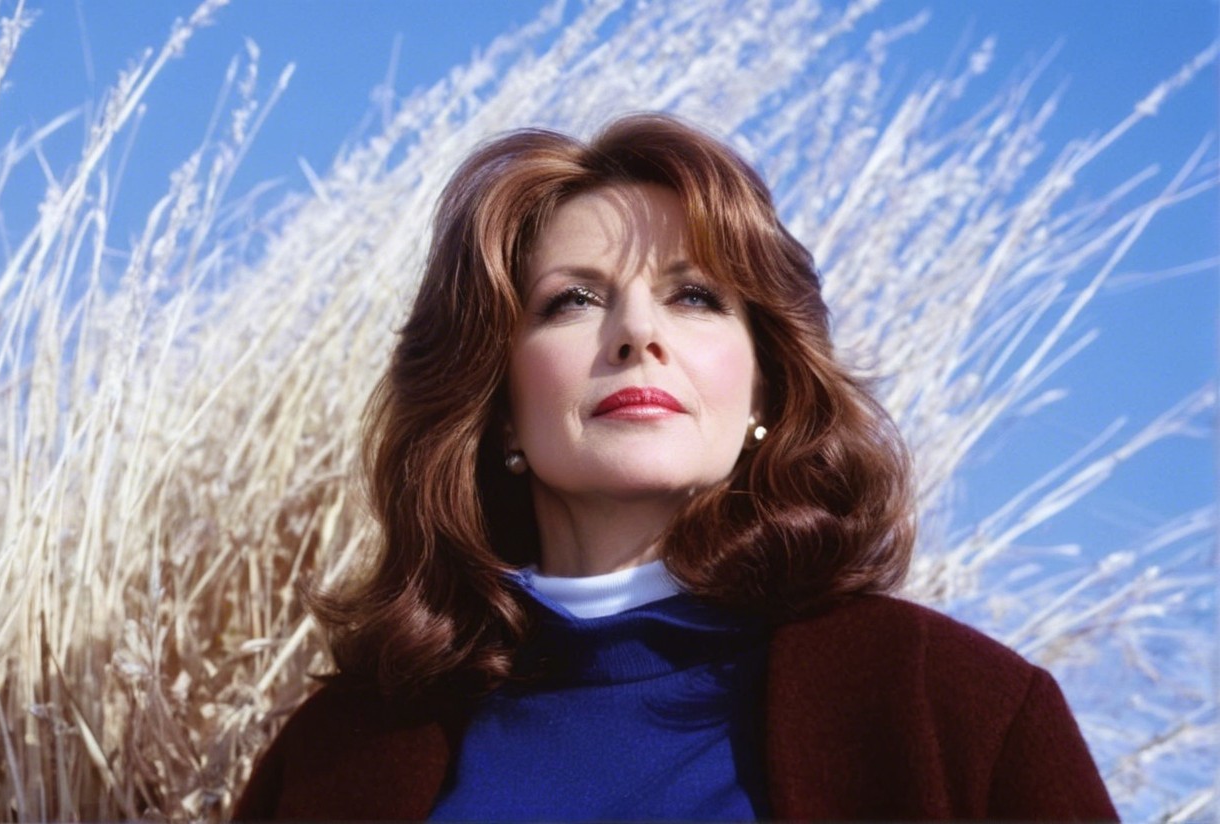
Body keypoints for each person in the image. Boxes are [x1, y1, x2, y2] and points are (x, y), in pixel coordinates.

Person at [233, 114, 1117, 821]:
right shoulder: (340, 753)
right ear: (497, 400)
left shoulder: (952, 705)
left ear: (766, 388)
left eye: (696, 296)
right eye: (571, 300)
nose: (636, 331)